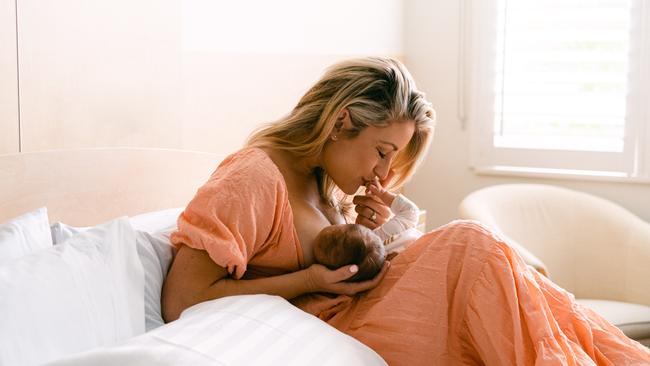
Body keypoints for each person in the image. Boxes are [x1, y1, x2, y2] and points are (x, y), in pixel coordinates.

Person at [161, 57, 650, 364]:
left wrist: (361, 232)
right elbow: (182, 299)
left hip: (362, 309)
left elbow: (332, 264)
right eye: (381, 150)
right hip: (344, 324)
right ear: (341, 123)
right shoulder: (253, 177)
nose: (383, 172)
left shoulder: (319, 182)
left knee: (499, 271)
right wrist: (309, 281)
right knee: (469, 244)